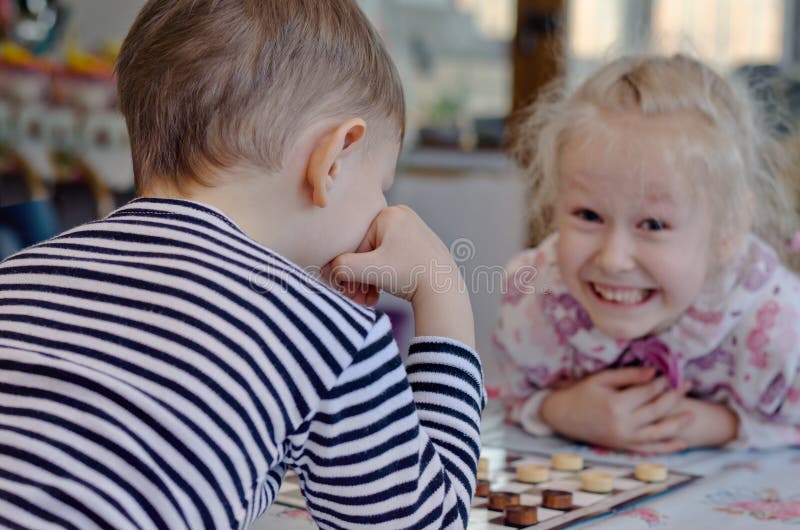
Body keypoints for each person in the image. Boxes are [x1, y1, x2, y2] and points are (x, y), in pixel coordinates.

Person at [0, 1, 486, 528]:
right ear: (335, 158)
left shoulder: (20, 274)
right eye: (380, 188)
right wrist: (444, 291)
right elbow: (425, 522)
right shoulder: (327, 331)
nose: (381, 210)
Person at [495, 54, 800, 454]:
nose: (613, 259)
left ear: (728, 231)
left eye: (653, 225)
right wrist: (559, 410)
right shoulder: (534, 301)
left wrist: (719, 425)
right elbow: (506, 395)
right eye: (588, 215)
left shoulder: (776, 326)